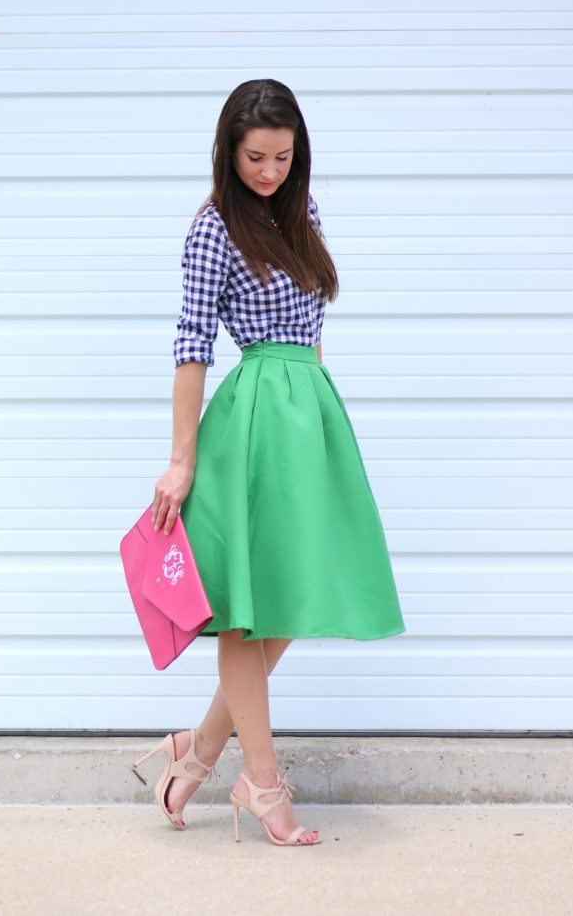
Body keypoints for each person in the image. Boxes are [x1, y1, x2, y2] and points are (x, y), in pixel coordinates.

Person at [136, 79, 406, 847]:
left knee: (287, 597)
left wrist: (321, 418)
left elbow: (313, 328)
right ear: (228, 150)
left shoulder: (302, 212)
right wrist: (180, 460)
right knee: (247, 605)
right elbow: (191, 345)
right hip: (252, 418)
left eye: (284, 156)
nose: (270, 170)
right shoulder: (211, 228)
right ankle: (260, 781)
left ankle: (197, 748)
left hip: (309, 411)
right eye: (256, 156)